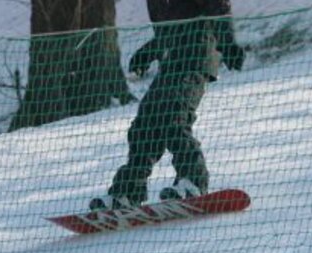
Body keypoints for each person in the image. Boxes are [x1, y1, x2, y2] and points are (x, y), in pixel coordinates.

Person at [90, 0, 245, 211]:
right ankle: (127, 191)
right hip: (172, 62)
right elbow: (173, 29)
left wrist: (227, 42)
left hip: (196, 57)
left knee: (174, 115)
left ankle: (193, 182)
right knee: (145, 123)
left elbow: (217, 5)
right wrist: (150, 51)